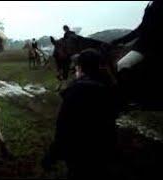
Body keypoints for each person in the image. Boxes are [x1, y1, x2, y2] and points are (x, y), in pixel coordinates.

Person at [42, 49, 120, 179]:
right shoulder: (109, 87)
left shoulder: (76, 91)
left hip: (79, 154)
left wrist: (52, 154)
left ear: (81, 68)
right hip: (105, 151)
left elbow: (64, 128)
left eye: (76, 67)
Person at [111, 1, 163, 108]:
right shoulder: (150, 3)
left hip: (151, 45)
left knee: (123, 64)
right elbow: (141, 28)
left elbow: (149, 28)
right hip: (143, 43)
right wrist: (121, 40)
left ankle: (130, 98)